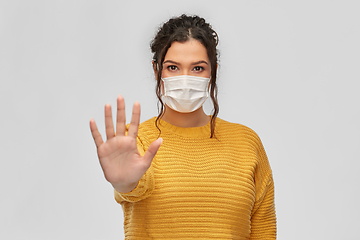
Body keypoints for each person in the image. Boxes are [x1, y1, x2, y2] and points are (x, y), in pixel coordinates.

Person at [90, 14, 276, 239]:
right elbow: (136, 187)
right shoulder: (135, 140)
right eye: (173, 67)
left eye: (197, 68)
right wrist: (126, 183)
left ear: (213, 71)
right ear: (157, 70)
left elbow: (264, 232)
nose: (185, 79)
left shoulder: (246, 142)